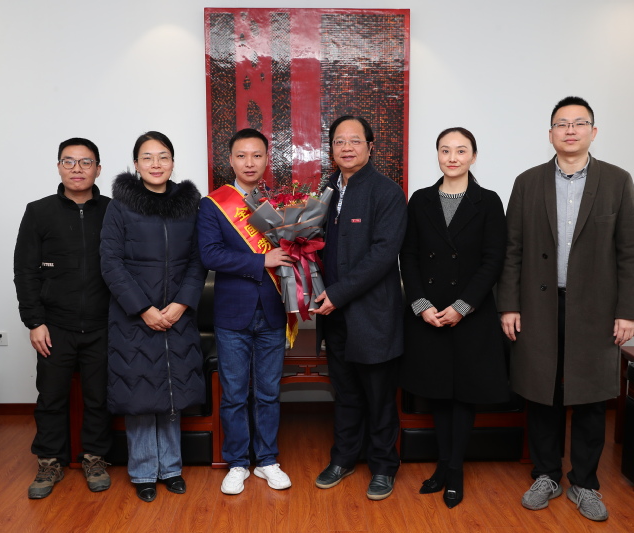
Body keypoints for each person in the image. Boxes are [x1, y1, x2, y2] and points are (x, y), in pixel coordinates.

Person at [497, 96, 634, 522]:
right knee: (542, 392)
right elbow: (512, 250)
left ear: (593, 132)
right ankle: (546, 475)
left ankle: (585, 482)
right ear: (551, 135)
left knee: (591, 396)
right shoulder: (528, 182)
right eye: (562, 123)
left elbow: (630, 251)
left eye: (579, 123)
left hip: (596, 309)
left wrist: (628, 310)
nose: (570, 130)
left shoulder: (617, 181)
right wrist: (509, 305)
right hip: (538, 306)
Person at [399, 127, 509, 508]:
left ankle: (455, 470)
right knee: (439, 395)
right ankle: (443, 466)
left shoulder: (488, 201)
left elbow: (493, 260)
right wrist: (420, 303)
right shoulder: (421, 200)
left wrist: (463, 306)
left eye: (461, 150)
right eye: (445, 150)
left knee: (464, 395)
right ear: (438, 156)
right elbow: (409, 256)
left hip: (470, 314)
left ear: (473, 157)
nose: (452, 157)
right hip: (430, 313)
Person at [100, 131, 205, 502]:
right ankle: (144, 471)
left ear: (173, 162)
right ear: (136, 164)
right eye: (147, 157)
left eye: (163, 156)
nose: (156, 164)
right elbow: (110, 263)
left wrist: (180, 305)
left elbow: (198, 261)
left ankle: (171, 468)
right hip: (133, 318)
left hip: (177, 315)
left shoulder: (190, 205)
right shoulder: (119, 207)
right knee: (140, 393)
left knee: (172, 390)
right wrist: (143, 309)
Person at [311, 115, 407, 501]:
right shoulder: (326, 190)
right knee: (346, 392)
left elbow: (383, 255)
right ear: (331, 149)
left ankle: (383, 466)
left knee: (379, 396)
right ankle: (344, 458)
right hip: (335, 316)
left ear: (370, 146)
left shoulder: (387, 192)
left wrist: (337, 293)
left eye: (354, 140)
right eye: (339, 141)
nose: (346, 147)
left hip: (373, 314)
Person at [13, 137, 112, 499]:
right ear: (58, 167)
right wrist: (34, 322)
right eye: (68, 161)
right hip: (54, 325)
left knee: (98, 397)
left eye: (85, 162)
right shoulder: (39, 212)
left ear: (98, 169)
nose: (77, 169)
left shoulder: (113, 211)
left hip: (103, 323)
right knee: (51, 397)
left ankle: (95, 458)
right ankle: (49, 462)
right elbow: (25, 271)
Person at [197, 128, 293, 495]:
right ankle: (237, 462)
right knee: (235, 394)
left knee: (268, 392)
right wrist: (260, 260)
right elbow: (210, 255)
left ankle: (267, 460)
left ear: (267, 159)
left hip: (272, 310)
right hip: (232, 313)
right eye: (241, 156)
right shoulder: (213, 204)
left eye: (256, 155)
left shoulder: (282, 202)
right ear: (231, 160)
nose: (249, 162)